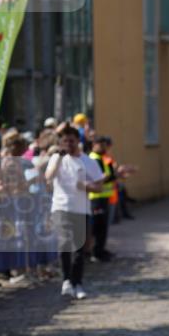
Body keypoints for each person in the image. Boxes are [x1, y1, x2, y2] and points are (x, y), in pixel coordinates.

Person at [45, 123, 104, 299]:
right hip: (61, 207)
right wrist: (58, 158)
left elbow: (99, 186)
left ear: (78, 141)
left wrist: (86, 186)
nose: (68, 144)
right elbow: (48, 177)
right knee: (64, 243)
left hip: (81, 209)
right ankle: (66, 280)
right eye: (65, 141)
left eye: (71, 141)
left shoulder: (88, 161)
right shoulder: (57, 158)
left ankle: (77, 283)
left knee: (79, 248)